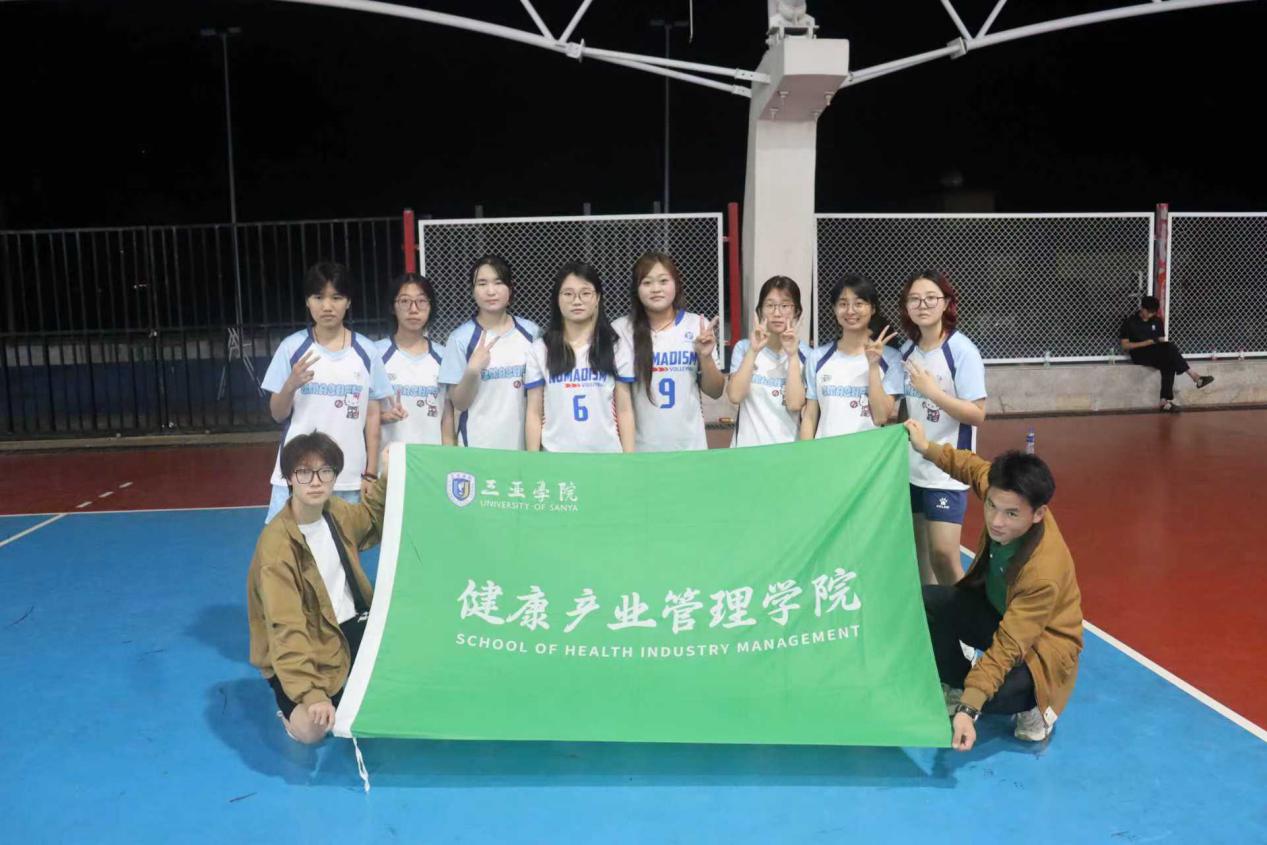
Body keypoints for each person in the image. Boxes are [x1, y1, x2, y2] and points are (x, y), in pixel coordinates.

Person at [904, 418, 1083, 750]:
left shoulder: (1043, 571)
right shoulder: (1002, 493)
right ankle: (958, 684)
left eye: (1011, 514)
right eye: (991, 507)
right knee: (927, 603)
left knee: (995, 698)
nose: (996, 521)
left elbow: (1009, 645)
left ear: (1038, 514)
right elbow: (971, 467)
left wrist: (969, 709)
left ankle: (1036, 706)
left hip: (1040, 645)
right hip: (998, 613)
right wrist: (926, 447)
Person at [246, 432, 389, 745]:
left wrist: (388, 477)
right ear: (289, 478)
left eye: (325, 471)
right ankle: (290, 703)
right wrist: (311, 693)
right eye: (304, 472)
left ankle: (345, 681)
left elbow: (370, 520)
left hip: (348, 625)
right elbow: (287, 627)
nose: (315, 482)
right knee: (313, 731)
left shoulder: (335, 511)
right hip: (308, 638)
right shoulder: (277, 548)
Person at [261, 261, 392, 522]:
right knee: (288, 544)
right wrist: (290, 384)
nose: (327, 306)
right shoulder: (292, 348)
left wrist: (370, 473)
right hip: (297, 474)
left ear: (348, 302)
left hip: (348, 477)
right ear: (307, 302)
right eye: (318, 297)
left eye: (336, 297)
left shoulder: (367, 351)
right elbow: (277, 414)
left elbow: (372, 418)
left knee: (344, 546)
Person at [897, 270, 987, 587]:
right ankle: (932, 614)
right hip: (913, 469)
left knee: (944, 555)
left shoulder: (962, 351)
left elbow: (977, 414)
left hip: (948, 468)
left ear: (946, 303)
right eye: (915, 299)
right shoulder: (907, 351)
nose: (922, 305)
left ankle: (961, 613)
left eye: (931, 298)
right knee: (921, 555)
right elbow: (907, 408)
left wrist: (933, 392)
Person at [612, 251, 725, 451]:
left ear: (676, 285)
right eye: (647, 283)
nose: (656, 289)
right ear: (636, 289)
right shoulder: (622, 329)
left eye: (663, 281)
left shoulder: (696, 325)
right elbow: (619, 401)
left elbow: (715, 391)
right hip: (641, 450)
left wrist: (705, 357)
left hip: (690, 448)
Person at [525, 261, 635, 452]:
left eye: (585, 293)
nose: (577, 301)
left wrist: (629, 459)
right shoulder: (541, 349)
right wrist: (533, 461)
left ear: (597, 298)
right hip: (556, 457)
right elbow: (534, 413)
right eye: (568, 294)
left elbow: (624, 410)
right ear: (557, 299)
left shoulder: (615, 347)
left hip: (606, 457)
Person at [437, 255, 540, 449]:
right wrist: (472, 371)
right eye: (482, 284)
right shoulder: (460, 338)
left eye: (498, 283)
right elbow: (459, 403)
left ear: (510, 288)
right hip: (478, 448)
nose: (491, 291)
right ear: (473, 291)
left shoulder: (531, 333)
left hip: (524, 449)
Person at [800, 274, 903, 440]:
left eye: (859, 304)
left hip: (869, 455)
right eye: (843, 304)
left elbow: (881, 417)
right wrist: (806, 453)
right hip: (826, 452)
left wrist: (873, 366)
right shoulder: (817, 357)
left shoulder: (891, 358)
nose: (850, 311)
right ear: (834, 309)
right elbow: (810, 416)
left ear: (873, 308)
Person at [726, 276, 812, 447]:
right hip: (746, 450)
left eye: (785, 306)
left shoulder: (807, 355)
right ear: (760, 311)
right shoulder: (744, 348)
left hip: (786, 451)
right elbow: (735, 396)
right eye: (770, 305)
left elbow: (795, 404)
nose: (777, 313)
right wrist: (754, 350)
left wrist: (792, 355)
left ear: (797, 312)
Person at [375, 273, 454, 446]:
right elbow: (362, 415)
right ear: (392, 307)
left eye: (421, 301)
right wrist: (383, 417)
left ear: (431, 306)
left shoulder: (444, 356)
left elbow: (447, 419)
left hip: (430, 458)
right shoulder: (376, 354)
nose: (413, 309)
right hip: (389, 459)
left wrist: (447, 457)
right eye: (404, 301)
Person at [1119, 294, 1213, 412]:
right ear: (1142, 308)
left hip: (1155, 351)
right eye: (1149, 312)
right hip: (1139, 354)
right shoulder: (1130, 322)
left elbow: (1161, 341)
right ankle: (1195, 377)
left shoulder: (1157, 320)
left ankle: (1164, 402)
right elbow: (1125, 345)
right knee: (1169, 349)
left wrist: (1164, 349)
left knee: (1169, 362)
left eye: (1153, 313)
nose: (1151, 315)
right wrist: (1145, 343)